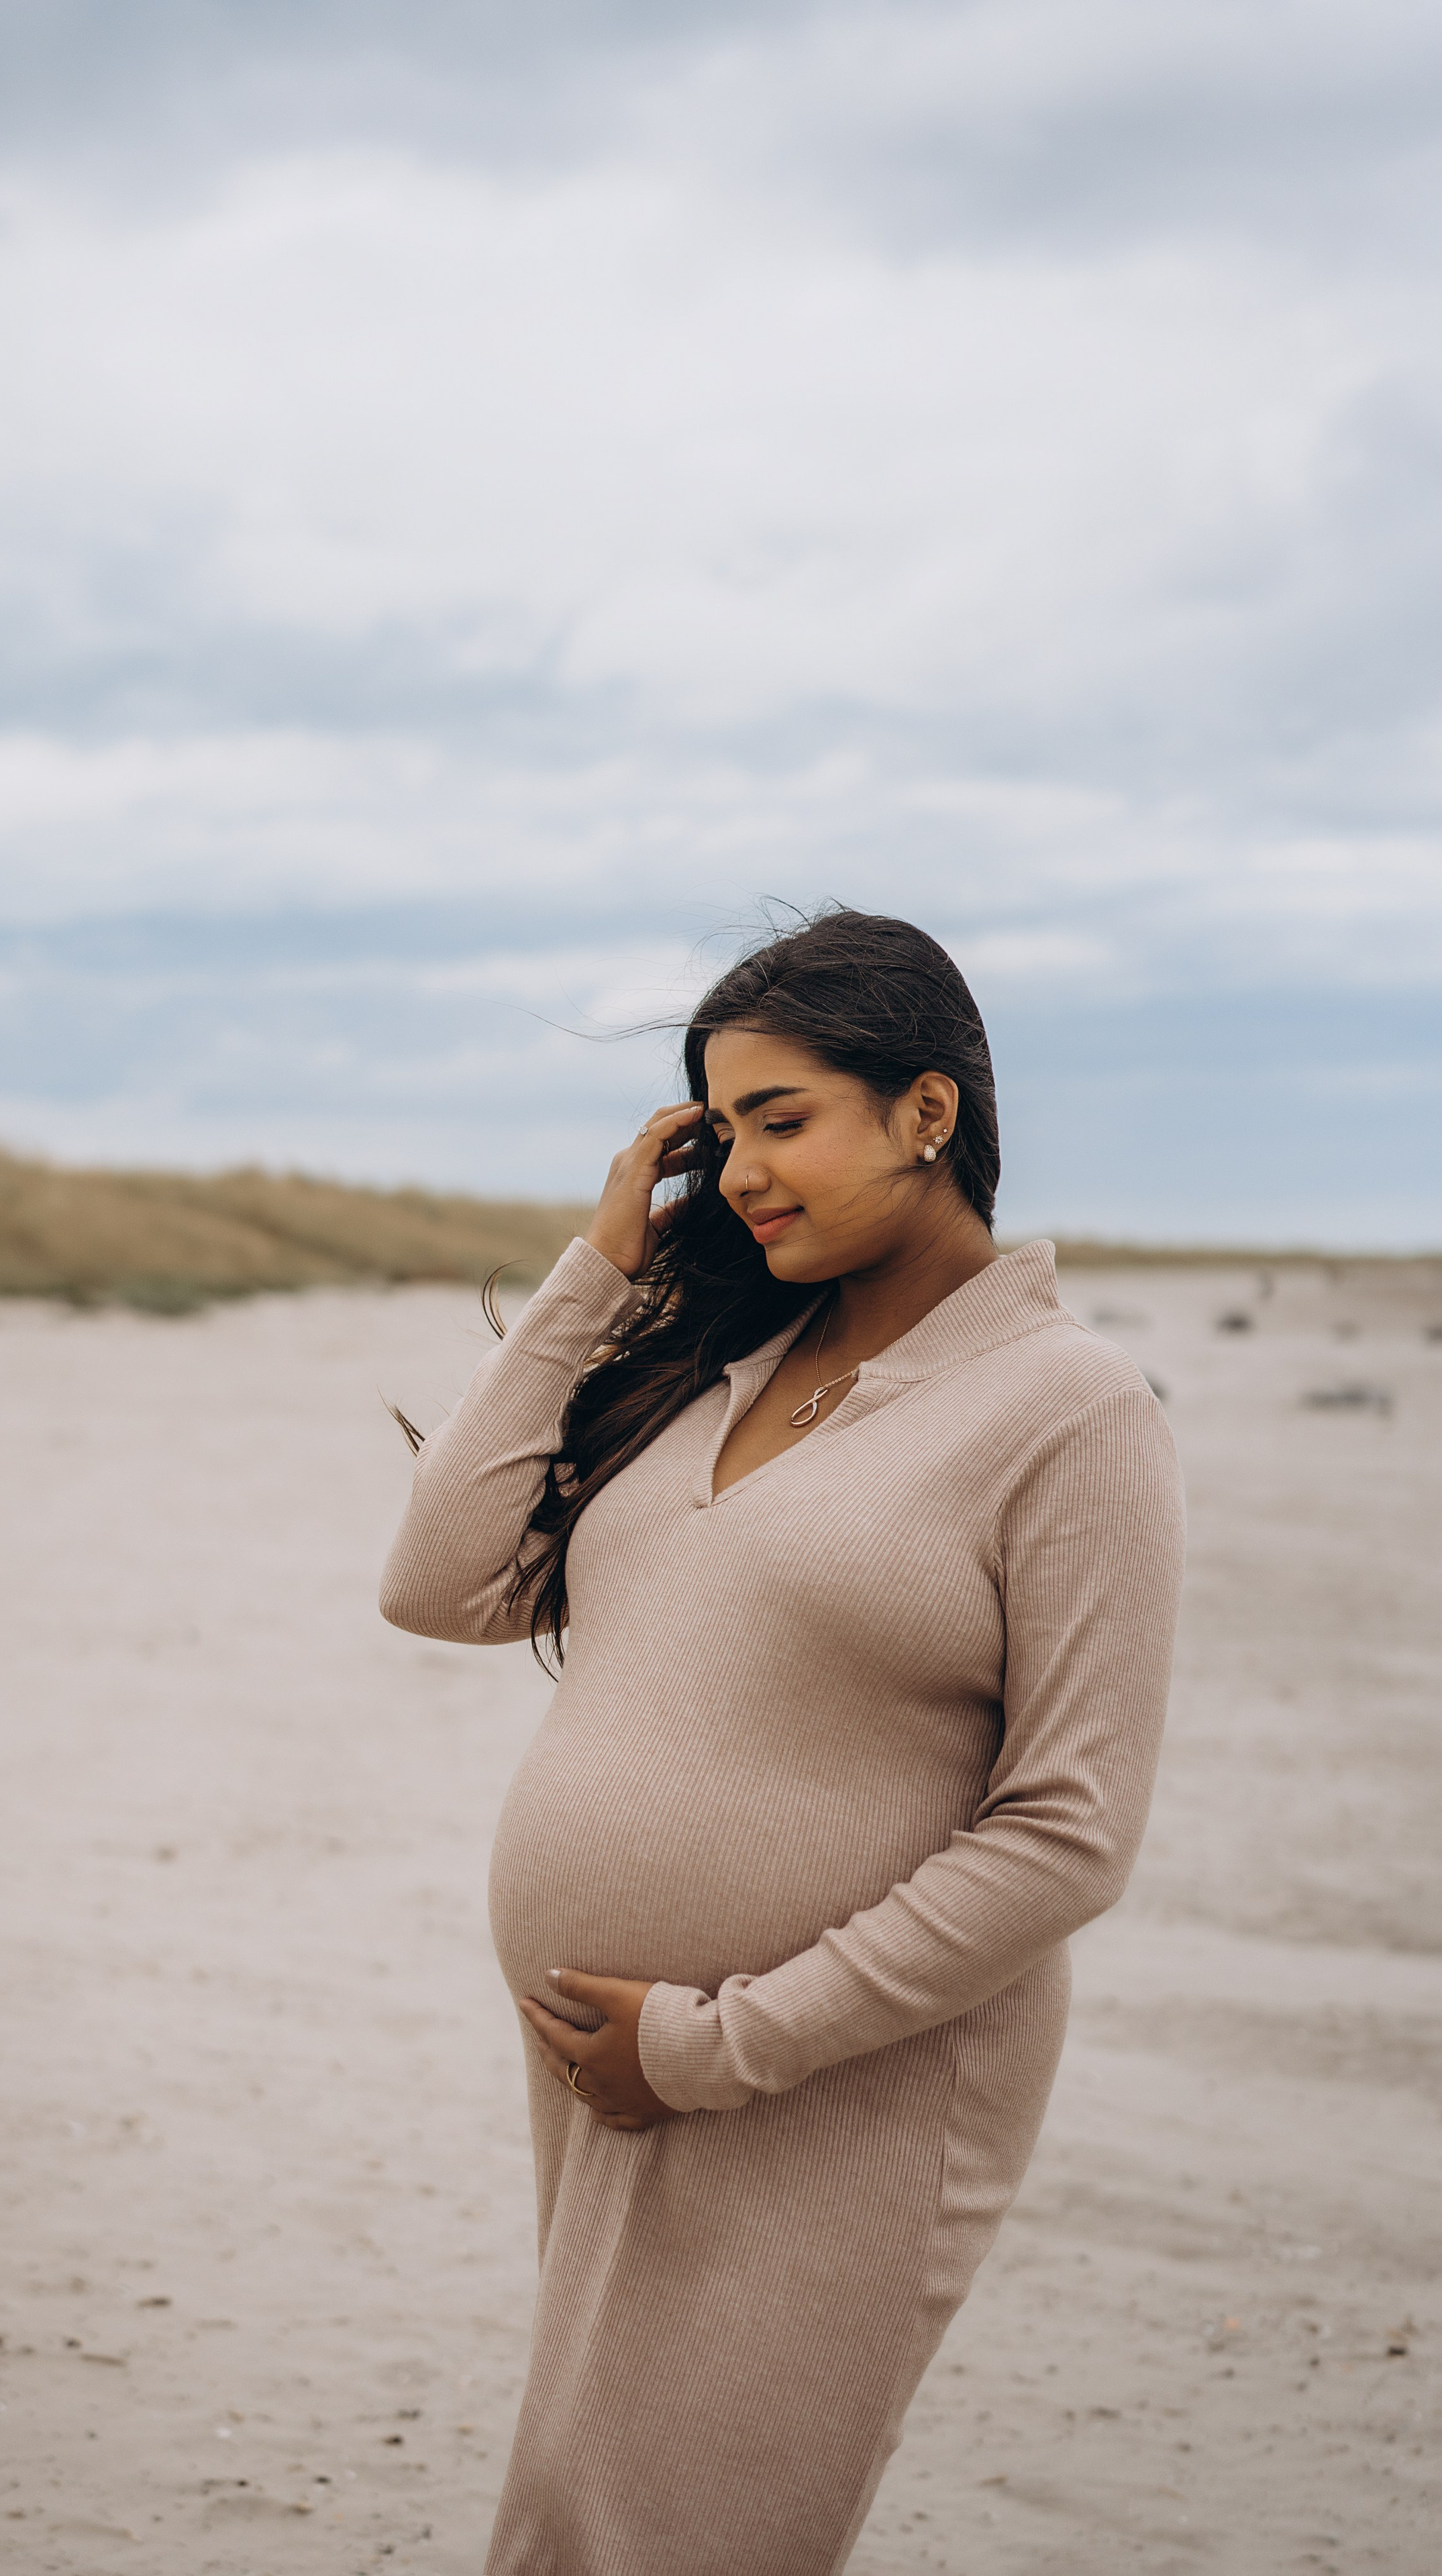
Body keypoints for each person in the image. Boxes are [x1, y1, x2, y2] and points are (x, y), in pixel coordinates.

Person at [380, 908, 1186, 2575]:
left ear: (926, 1113)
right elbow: (434, 1579)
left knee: (660, 2536)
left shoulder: (1067, 1408)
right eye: (719, 1127)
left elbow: (1067, 1832)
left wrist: (714, 2045)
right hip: (620, 2073)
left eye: (783, 1118)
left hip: (830, 2081)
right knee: (591, 2517)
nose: (743, 1168)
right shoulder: (714, 1372)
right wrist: (597, 1271)